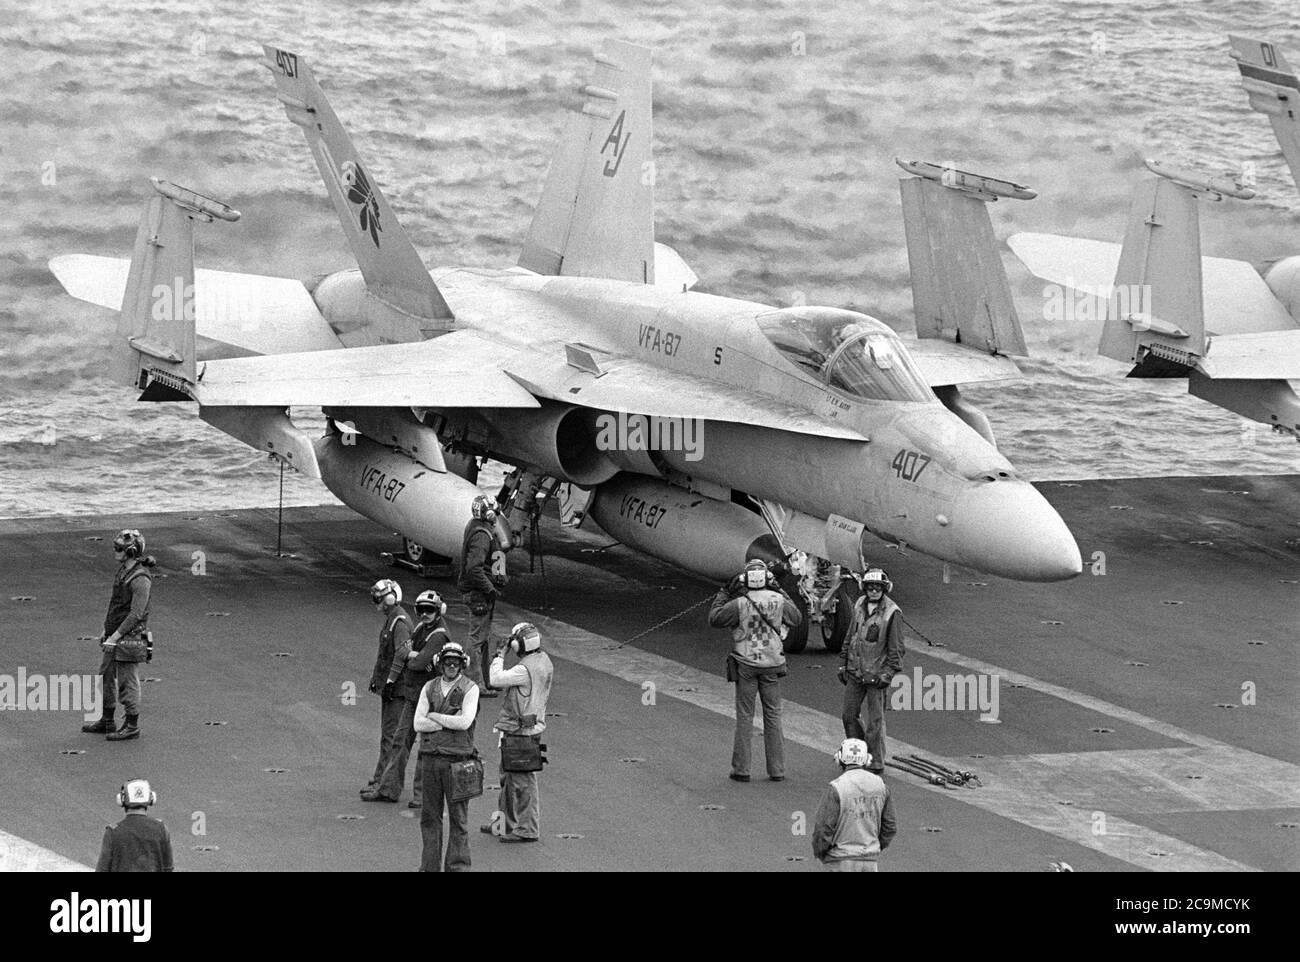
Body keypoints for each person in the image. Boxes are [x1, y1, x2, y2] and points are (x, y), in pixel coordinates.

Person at [708, 559, 802, 782]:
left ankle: (741, 769)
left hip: (746, 664)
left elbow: (715, 618)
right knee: (773, 716)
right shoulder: (778, 600)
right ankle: (777, 770)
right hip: (772, 665)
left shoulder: (739, 603)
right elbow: (796, 618)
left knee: (745, 717)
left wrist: (724, 591)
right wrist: (778, 588)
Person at [81, 529, 157, 742]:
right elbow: (116, 606)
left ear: (131, 551)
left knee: (127, 681)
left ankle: (132, 725)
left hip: (130, 637)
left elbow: (137, 613)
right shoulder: (124, 571)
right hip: (114, 633)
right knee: (105, 673)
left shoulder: (141, 579)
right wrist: (106, 630)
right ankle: (107, 720)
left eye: (119, 548)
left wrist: (114, 637)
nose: (115, 551)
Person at [482, 622, 553, 843]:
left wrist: (499, 655)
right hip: (526, 727)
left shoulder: (524, 669)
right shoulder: (544, 660)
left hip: (520, 730)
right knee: (508, 778)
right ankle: (503, 823)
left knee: (522, 782)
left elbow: (495, 680)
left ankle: (528, 828)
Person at [413, 641, 480, 872]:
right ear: (439, 664)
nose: (451, 666)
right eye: (447, 662)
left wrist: (434, 716)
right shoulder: (429, 687)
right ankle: (429, 868)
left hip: (458, 762)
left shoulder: (471, 688)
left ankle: (458, 868)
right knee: (430, 818)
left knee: (458, 820)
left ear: (463, 665)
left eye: (456, 663)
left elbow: (464, 723)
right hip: (431, 760)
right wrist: (447, 720)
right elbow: (417, 723)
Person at [838, 567, 904, 775]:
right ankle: (857, 754)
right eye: (870, 587)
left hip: (876, 676)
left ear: (884, 589)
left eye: (878, 588)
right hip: (855, 672)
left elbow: (896, 649)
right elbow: (851, 635)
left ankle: (875, 763)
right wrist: (843, 662)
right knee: (849, 715)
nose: (874, 591)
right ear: (864, 588)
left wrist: (887, 675)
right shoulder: (859, 604)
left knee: (875, 722)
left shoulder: (893, 613)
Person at [396, 590, 450, 810]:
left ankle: (421, 795)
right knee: (400, 741)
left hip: (429, 697)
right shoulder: (420, 628)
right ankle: (390, 787)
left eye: (430, 610)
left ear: (438, 611)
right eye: (421, 610)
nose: (425, 614)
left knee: (425, 748)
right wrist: (413, 656)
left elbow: (417, 663)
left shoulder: (439, 635)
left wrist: (413, 656)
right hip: (413, 693)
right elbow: (402, 651)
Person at [811, 739, 897, 872]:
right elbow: (890, 826)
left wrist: (820, 852)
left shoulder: (837, 787)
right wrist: (874, 847)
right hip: (869, 861)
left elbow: (823, 828)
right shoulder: (881, 786)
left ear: (840, 759)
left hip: (839, 860)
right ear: (867, 760)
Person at [361, 579, 412, 803]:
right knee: (388, 737)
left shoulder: (399, 622)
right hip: (391, 687)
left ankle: (387, 786)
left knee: (391, 738)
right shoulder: (392, 619)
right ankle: (381, 778)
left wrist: (390, 680)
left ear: (390, 599)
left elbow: (401, 654)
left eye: (379, 599)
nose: (377, 603)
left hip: (398, 689)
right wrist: (378, 680)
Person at [458, 494, 505, 697]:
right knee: (477, 639)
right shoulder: (482, 535)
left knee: (483, 639)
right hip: (479, 594)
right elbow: (474, 568)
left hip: (481, 592)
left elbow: (495, 556)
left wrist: (501, 576)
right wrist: (490, 588)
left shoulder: (477, 527)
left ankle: (484, 681)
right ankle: (475, 683)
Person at [96, 778, 174, 872]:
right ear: (151, 799)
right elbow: (168, 868)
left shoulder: (113, 833)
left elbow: (102, 869)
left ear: (122, 800)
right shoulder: (161, 829)